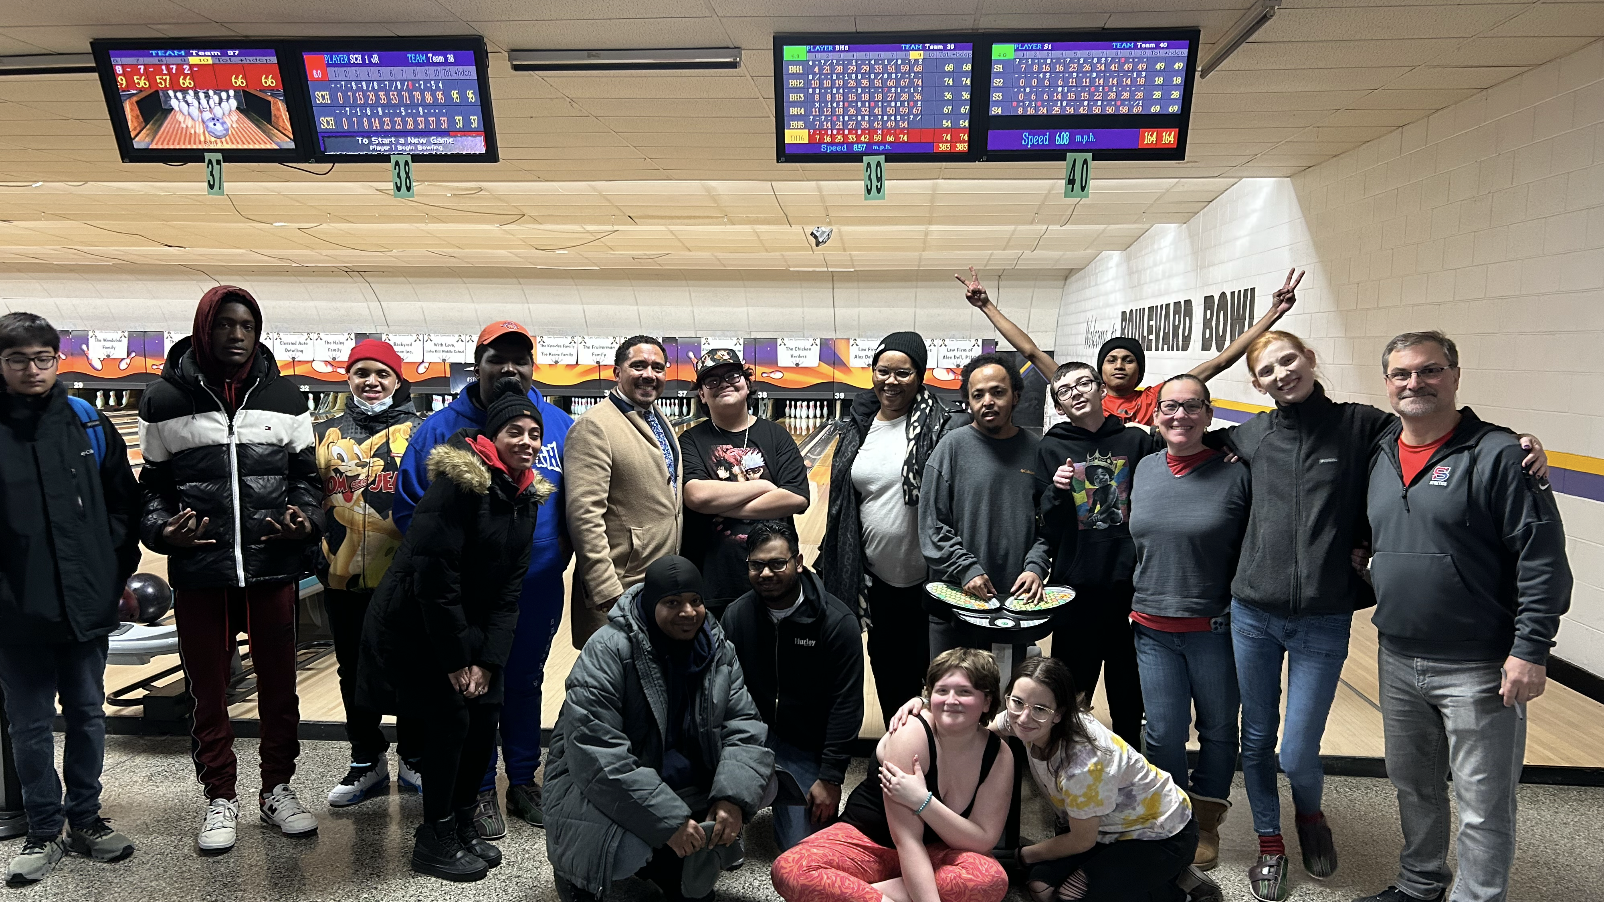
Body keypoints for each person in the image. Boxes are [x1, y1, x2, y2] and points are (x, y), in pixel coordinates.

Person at [1205, 330, 1547, 902]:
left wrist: (1518, 441)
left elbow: (1440, 432)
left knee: (1297, 750)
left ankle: (1311, 816)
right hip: (1252, 615)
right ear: (1256, 381)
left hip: (1325, 617)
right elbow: (1185, 434)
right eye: (1268, 370)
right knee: (1258, 740)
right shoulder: (1250, 435)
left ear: (1311, 359)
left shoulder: (1365, 425)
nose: (1282, 373)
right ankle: (1272, 840)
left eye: (1290, 359)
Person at [1354, 332, 1571, 902]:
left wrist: (1531, 649)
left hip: (1478, 664)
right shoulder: (1379, 452)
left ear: (1454, 375)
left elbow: (1543, 558)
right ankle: (1420, 883)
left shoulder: (1499, 453)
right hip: (1397, 655)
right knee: (1413, 785)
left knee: (1482, 800)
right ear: (1387, 383)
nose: (1414, 383)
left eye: (1429, 371)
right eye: (1401, 374)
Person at [137, 286, 323, 853]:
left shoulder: (289, 398)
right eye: (225, 325)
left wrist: (306, 521)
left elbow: (307, 481)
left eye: (246, 325)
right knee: (209, 689)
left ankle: (278, 788)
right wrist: (160, 531)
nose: (236, 335)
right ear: (204, 329)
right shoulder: (163, 401)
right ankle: (219, 796)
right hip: (202, 570)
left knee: (279, 688)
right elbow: (152, 490)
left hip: (271, 566)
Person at [360, 389, 553, 881]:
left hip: (475, 623)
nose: (527, 442)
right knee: (449, 726)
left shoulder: (524, 495)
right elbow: (434, 575)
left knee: (483, 717)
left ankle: (464, 823)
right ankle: (434, 835)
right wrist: (456, 659)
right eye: (516, 432)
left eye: (535, 435)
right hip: (422, 622)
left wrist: (488, 660)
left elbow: (511, 590)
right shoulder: (460, 483)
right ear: (492, 436)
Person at [394, 320, 573, 836]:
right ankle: (475, 790)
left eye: (520, 359)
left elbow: (577, 506)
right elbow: (410, 512)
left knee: (523, 681)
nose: (509, 368)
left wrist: (561, 552)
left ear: (533, 368)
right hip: (465, 597)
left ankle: (521, 781)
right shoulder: (438, 431)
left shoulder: (558, 426)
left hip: (534, 589)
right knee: (469, 691)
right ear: (479, 365)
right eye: (498, 359)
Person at [0, 313, 141, 885]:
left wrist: (112, 571)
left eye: (42, 359)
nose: (32, 370)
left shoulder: (89, 422)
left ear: (58, 360)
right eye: (17, 360)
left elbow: (123, 505)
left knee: (87, 714)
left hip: (85, 602)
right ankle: (41, 828)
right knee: (29, 723)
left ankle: (86, 818)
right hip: (13, 613)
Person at [544, 556, 774, 902]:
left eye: (695, 601)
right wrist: (668, 820)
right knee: (625, 849)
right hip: (593, 778)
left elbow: (744, 725)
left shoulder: (715, 645)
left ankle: (671, 857)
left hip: (672, 769)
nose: (688, 612)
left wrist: (731, 798)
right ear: (652, 603)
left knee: (763, 782)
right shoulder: (607, 649)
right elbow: (598, 753)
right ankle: (576, 874)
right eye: (672, 602)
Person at [888, 656, 1202, 902]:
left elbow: (1082, 840)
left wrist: (1021, 855)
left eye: (1040, 709)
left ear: (1059, 713)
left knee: (1071, 896)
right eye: (1017, 702)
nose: (1024, 717)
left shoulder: (1084, 764)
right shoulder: (1021, 717)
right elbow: (972, 726)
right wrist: (925, 709)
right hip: (1103, 830)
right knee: (1039, 888)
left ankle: (1179, 887)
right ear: (1008, 698)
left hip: (1159, 835)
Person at [771, 648, 1013, 902]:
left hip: (937, 854)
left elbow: (982, 840)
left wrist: (923, 802)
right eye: (942, 691)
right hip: (867, 843)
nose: (951, 700)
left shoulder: (999, 755)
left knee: (991, 880)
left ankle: (857, 893)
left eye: (965, 692)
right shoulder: (911, 732)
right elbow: (907, 840)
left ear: (986, 701)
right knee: (790, 870)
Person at [1127, 375, 1249, 871]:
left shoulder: (1237, 471)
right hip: (1150, 624)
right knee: (1162, 732)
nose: (1180, 416)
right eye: (1169, 407)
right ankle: (1174, 818)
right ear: (1155, 414)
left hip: (1215, 629)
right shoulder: (1144, 467)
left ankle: (1207, 820)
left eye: (1191, 407)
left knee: (1219, 729)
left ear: (1209, 413)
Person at [957, 266, 1303, 425]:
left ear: (1140, 369)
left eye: (1128, 360)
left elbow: (1221, 361)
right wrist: (986, 305)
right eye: (1111, 359)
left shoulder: (1156, 398)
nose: (1119, 365)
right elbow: (1032, 351)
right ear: (1100, 369)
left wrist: (1274, 312)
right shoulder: (1082, 391)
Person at [816, 331, 953, 727]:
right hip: (874, 580)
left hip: (930, 582)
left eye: (903, 373)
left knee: (936, 681)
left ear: (920, 376)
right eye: (882, 371)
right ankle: (902, 756)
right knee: (891, 681)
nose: (891, 381)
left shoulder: (941, 427)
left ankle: (938, 761)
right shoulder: (859, 425)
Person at [313, 339, 425, 808]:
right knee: (352, 670)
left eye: (382, 373)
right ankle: (367, 759)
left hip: (405, 579)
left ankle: (415, 757)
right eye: (362, 373)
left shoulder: (420, 431)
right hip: (342, 575)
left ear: (397, 380)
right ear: (349, 378)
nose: (372, 382)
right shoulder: (324, 433)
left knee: (414, 669)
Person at [1035, 361, 1158, 749]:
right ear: (1059, 405)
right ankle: (1067, 783)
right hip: (1078, 588)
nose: (1076, 392)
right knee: (1071, 696)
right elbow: (1045, 524)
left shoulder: (1137, 442)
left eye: (1084, 383)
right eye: (1065, 390)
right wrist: (1055, 491)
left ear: (1101, 389)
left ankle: (1131, 782)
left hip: (1131, 588)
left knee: (1128, 696)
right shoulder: (1052, 447)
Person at [722, 520, 863, 851]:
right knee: (710, 827)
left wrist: (830, 777)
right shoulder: (736, 616)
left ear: (798, 563)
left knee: (803, 852)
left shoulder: (837, 623)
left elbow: (847, 705)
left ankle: (784, 794)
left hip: (805, 746)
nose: (766, 574)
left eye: (777, 564)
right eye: (757, 565)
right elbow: (721, 691)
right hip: (750, 739)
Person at [920, 354, 1051, 655]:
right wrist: (966, 569)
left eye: (998, 392)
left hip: (1015, 604)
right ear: (968, 400)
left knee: (1009, 700)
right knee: (953, 699)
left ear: (1016, 395)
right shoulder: (951, 447)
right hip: (953, 603)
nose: (988, 401)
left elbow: (1049, 525)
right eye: (978, 395)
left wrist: (1035, 567)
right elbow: (932, 526)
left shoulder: (1037, 451)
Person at [566, 335, 684, 650]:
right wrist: (605, 589)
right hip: (620, 586)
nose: (649, 374)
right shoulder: (594, 426)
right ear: (617, 372)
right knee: (616, 685)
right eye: (639, 365)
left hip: (657, 582)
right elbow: (584, 514)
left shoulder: (658, 418)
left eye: (658, 367)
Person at [679, 348, 810, 617]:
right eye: (711, 381)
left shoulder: (777, 435)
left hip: (774, 578)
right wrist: (762, 487)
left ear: (746, 382)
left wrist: (720, 506)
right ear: (701, 394)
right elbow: (697, 497)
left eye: (732, 375)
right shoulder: (689, 441)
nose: (724, 383)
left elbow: (796, 497)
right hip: (712, 582)